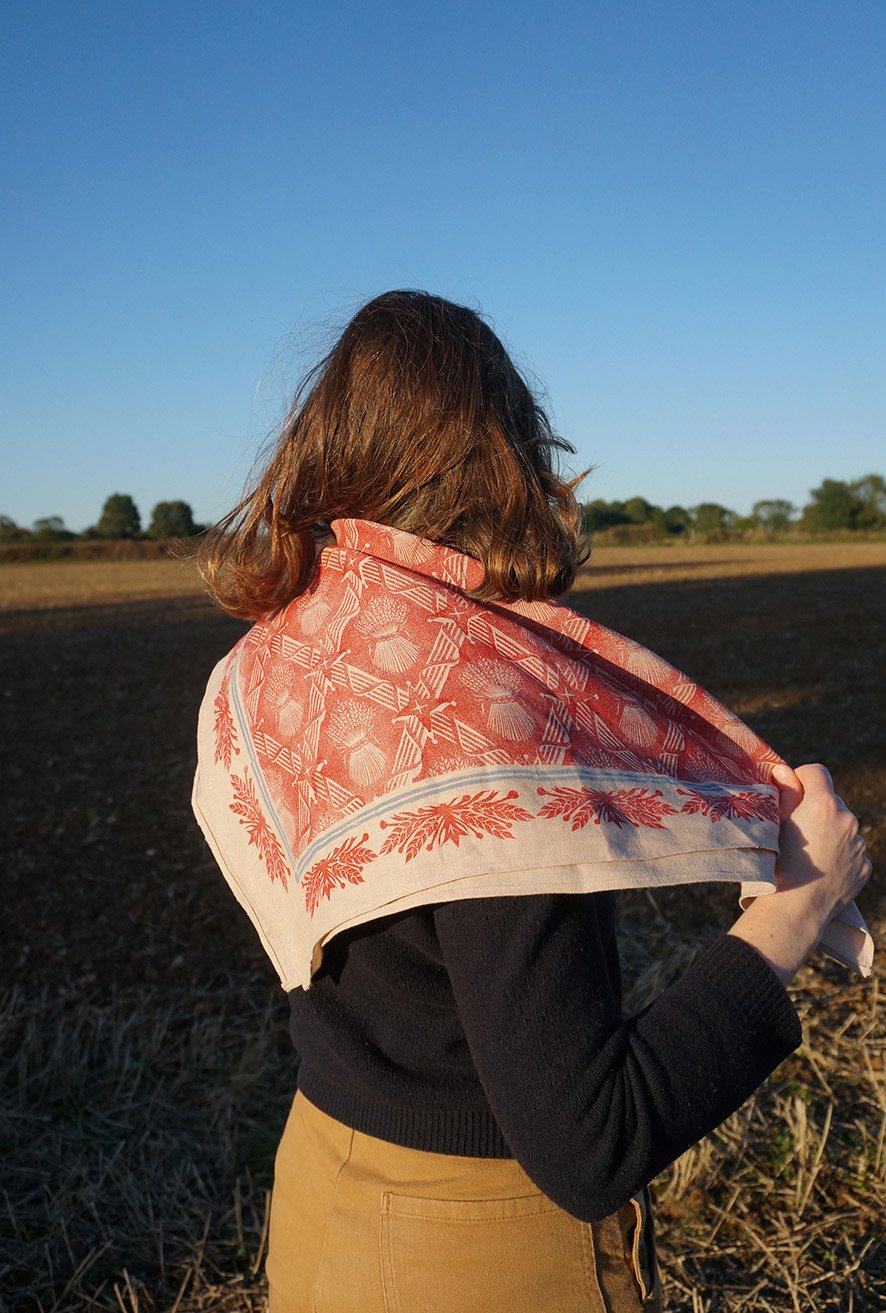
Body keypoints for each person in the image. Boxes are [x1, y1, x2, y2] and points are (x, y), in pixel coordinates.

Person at [193, 290, 872, 1313]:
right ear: (502, 452)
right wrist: (797, 907)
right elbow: (589, 1141)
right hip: (473, 1255)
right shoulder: (476, 727)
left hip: (326, 1189)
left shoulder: (282, 656)